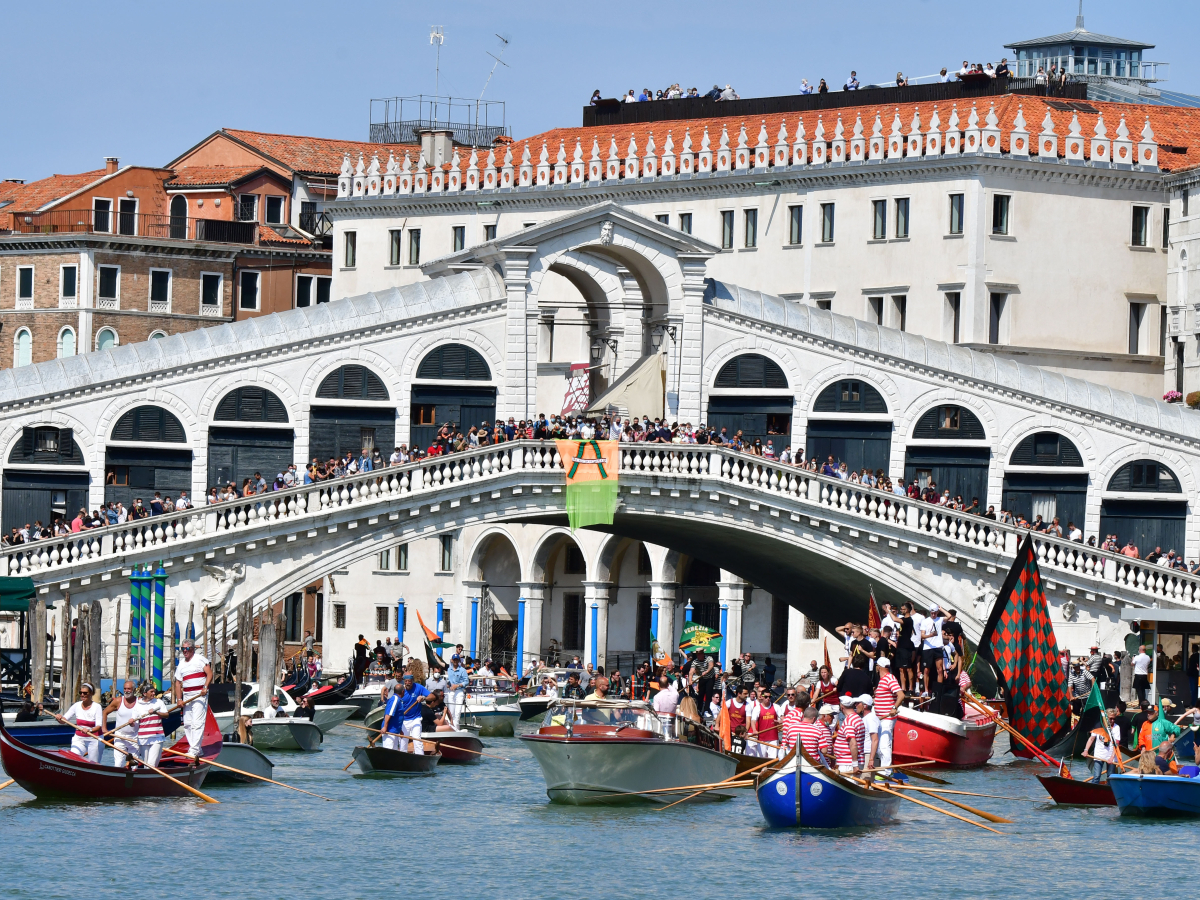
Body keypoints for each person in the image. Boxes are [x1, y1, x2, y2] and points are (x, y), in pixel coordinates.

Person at [173, 637, 212, 757]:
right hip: (187, 696)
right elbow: (178, 683)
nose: (185, 651)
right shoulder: (181, 664)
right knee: (188, 723)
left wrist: (205, 687)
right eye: (183, 649)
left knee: (197, 722)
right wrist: (179, 699)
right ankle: (196, 749)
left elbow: (209, 674)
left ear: (192, 649)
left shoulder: (200, 659)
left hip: (200, 695)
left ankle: (194, 750)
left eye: (187, 648)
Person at [55, 682, 103, 762]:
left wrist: (89, 730)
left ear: (91, 693)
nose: (82, 695)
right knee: (72, 758)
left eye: (85, 693)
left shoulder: (97, 707)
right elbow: (64, 720)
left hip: (94, 739)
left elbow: (99, 726)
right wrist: (59, 718)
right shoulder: (76, 705)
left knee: (93, 764)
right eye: (81, 693)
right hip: (79, 739)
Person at [872, 658, 904, 775]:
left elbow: (901, 695)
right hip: (880, 718)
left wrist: (894, 708)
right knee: (880, 745)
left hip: (887, 718)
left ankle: (886, 771)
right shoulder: (883, 680)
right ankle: (883, 769)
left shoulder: (889, 678)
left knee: (884, 744)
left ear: (879, 667)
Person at [388, 673, 430, 754]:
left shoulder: (418, 687)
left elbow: (432, 696)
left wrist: (423, 697)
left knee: (417, 740)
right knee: (403, 742)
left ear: (412, 681)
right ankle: (403, 758)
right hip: (404, 720)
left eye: (409, 681)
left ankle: (420, 757)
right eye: (406, 681)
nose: (407, 683)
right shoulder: (401, 691)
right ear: (404, 681)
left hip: (416, 719)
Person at [134, 682, 171, 766]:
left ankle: (149, 777)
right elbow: (135, 724)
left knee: (151, 764)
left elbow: (166, 715)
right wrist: (131, 722)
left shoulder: (159, 702)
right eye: (151, 692)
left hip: (157, 737)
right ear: (144, 693)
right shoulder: (137, 704)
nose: (154, 693)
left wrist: (156, 712)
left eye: (154, 691)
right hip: (143, 738)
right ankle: (147, 778)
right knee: (146, 763)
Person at [106, 679, 141, 767]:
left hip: (134, 737)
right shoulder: (118, 701)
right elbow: (104, 712)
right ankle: (118, 779)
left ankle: (132, 779)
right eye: (125, 689)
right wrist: (104, 729)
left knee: (134, 765)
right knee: (118, 764)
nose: (126, 691)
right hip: (119, 736)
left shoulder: (140, 702)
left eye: (129, 689)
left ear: (134, 689)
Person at [1082, 707, 1121, 783]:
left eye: (1114, 719)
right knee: (1096, 776)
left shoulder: (1116, 728)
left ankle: (1109, 792)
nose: (1112, 721)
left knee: (1110, 777)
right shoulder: (1098, 725)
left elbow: (1116, 744)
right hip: (1099, 755)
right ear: (1106, 717)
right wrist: (1086, 750)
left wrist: (1112, 757)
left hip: (1111, 756)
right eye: (1110, 719)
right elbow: (1091, 739)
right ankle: (1092, 791)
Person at [833, 696, 866, 774]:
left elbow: (853, 743)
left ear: (842, 706)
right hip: (851, 761)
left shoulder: (849, 722)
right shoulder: (857, 718)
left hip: (848, 763)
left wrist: (855, 765)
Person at [445, 654, 469, 729]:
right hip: (451, 691)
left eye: (456, 660)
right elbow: (448, 680)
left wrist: (457, 685)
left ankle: (456, 727)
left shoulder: (463, 670)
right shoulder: (449, 669)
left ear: (458, 660)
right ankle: (452, 727)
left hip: (459, 691)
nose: (455, 661)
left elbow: (466, 682)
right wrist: (448, 684)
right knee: (451, 712)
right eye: (454, 659)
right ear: (452, 660)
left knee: (457, 712)